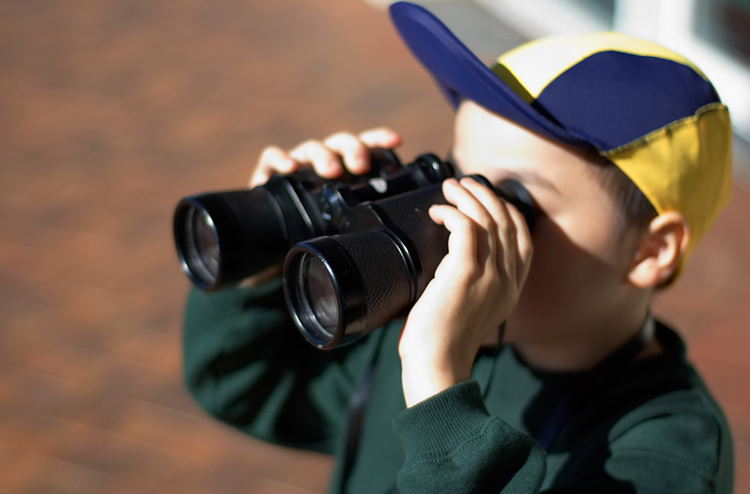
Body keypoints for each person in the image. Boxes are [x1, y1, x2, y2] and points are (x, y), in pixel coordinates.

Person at [182, 2, 734, 492]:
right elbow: (243, 389)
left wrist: (439, 392)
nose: (460, 220)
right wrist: (264, 259)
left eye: (511, 202)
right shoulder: (431, 337)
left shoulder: (668, 453)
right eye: (453, 175)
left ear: (651, 251)